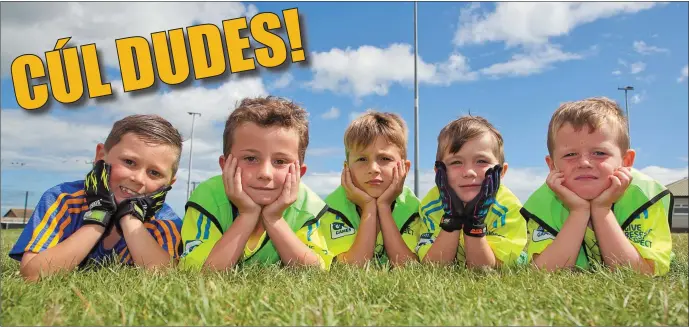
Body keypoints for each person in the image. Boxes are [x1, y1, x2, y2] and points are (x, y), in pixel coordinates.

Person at [10, 114, 184, 281]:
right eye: (129, 162)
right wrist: (98, 217)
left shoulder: (164, 221)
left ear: (169, 183)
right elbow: (33, 275)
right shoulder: (64, 199)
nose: (138, 179)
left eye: (154, 173)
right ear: (101, 155)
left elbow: (164, 279)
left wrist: (131, 220)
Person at [521, 97, 673, 276]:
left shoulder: (644, 196)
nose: (584, 162)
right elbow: (543, 273)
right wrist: (578, 212)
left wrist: (602, 209)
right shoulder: (544, 201)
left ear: (626, 161)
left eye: (599, 153)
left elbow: (640, 274)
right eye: (570, 154)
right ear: (552, 165)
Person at [178, 96, 333, 271]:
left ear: (299, 173)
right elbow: (203, 272)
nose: (265, 173)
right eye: (251, 158)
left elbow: (315, 272)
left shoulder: (308, 205)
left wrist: (274, 219)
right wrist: (247, 215)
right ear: (224, 165)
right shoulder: (208, 198)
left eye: (280, 161)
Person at [416, 116, 527, 268]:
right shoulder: (431, 205)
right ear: (439, 172)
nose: (469, 172)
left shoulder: (508, 206)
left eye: (481, 161)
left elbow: (486, 270)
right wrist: (452, 220)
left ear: (501, 171)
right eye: (456, 162)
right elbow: (434, 267)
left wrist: (475, 222)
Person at [318, 111, 422, 267]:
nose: (373, 169)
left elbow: (409, 268)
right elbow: (353, 267)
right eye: (362, 159)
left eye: (385, 159)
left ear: (404, 168)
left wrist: (384, 207)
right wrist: (368, 208)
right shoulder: (331, 210)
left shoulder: (415, 209)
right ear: (347, 169)